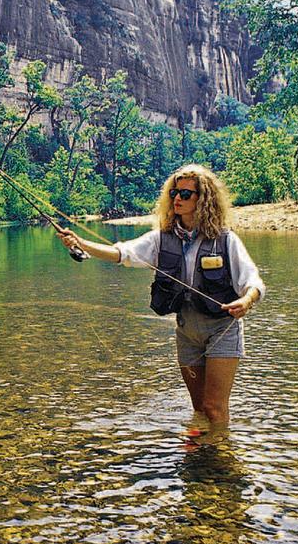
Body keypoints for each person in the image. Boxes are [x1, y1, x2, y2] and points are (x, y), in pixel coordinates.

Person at [57, 164, 265, 445]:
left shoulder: (225, 240)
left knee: (215, 407)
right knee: (199, 408)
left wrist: (246, 301)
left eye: (185, 194)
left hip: (222, 329)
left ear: (203, 199)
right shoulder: (161, 238)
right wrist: (81, 243)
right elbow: (122, 253)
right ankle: (197, 450)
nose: (177, 198)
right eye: (174, 192)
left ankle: (219, 458)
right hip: (187, 332)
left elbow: (253, 281)